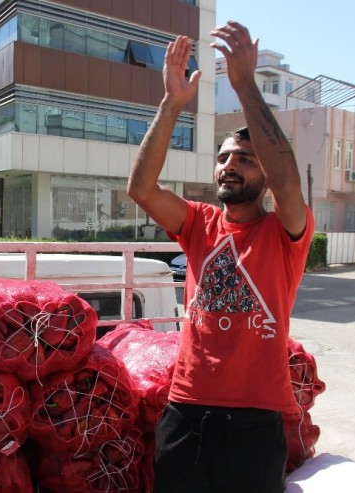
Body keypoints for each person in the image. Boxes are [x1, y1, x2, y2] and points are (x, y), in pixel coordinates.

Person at [127, 21, 314, 492]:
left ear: (265, 176)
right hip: (185, 412)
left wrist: (244, 83)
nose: (229, 164)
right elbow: (142, 189)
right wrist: (172, 105)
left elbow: (289, 181)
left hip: (255, 424)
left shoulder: (285, 231)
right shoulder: (198, 223)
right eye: (224, 156)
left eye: (245, 159)